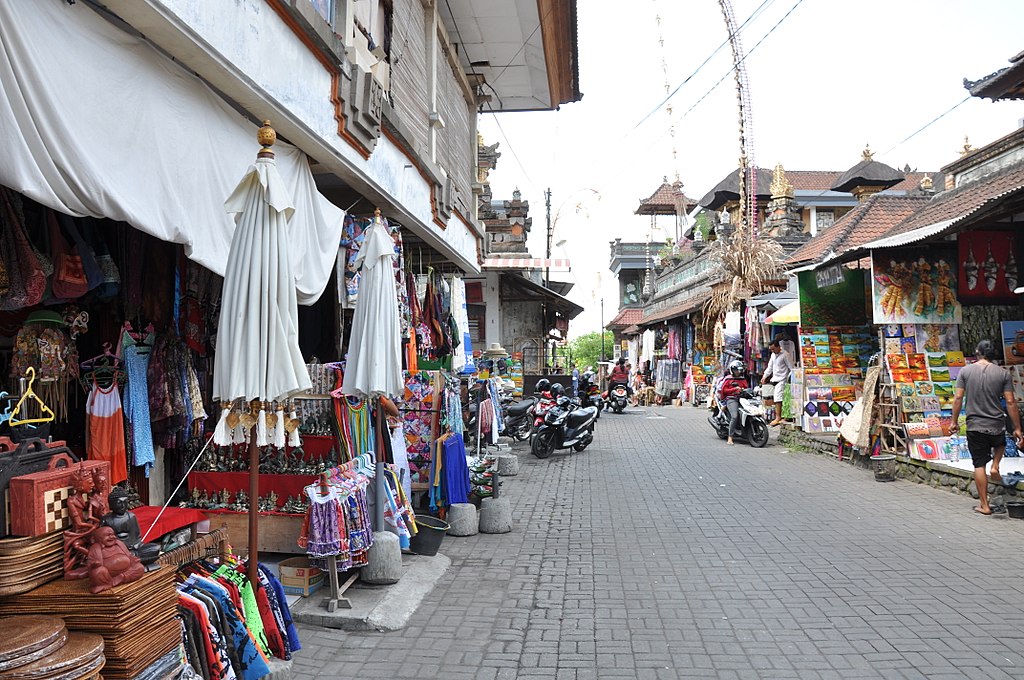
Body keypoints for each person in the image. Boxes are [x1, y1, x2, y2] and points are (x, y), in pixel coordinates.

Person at [950, 339, 1023, 516]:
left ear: (977, 352)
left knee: (979, 464)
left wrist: (953, 421)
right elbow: (1011, 401)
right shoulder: (1003, 373)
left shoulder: (965, 371)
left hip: (975, 424)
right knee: (1000, 445)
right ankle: (996, 465)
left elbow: (958, 398)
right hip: (996, 422)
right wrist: (1018, 428)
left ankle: (985, 505)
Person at [761, 338, 793, 426]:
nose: (772, 351)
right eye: (771, 349)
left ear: (778, 347)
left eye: (773, 349)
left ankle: (778, 417)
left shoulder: (785, 355)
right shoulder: (773, 355)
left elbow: (791, 368)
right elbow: (770, 367)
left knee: (778, 398)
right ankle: (781, 416)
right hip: (775, 379)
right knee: (777, 398)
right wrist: (765, 376)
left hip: (783, 379)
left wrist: (790, 380)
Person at [718, 360, 748, 445]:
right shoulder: (728, 379)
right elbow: (724, 390)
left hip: (742, 399)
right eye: (736, 370)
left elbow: (746, 387)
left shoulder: (742, 379)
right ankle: (730, 437)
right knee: (734, 416)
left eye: (739, 370)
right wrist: (734, 389)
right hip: (732, 399)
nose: (738, 372)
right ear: (732, 370)